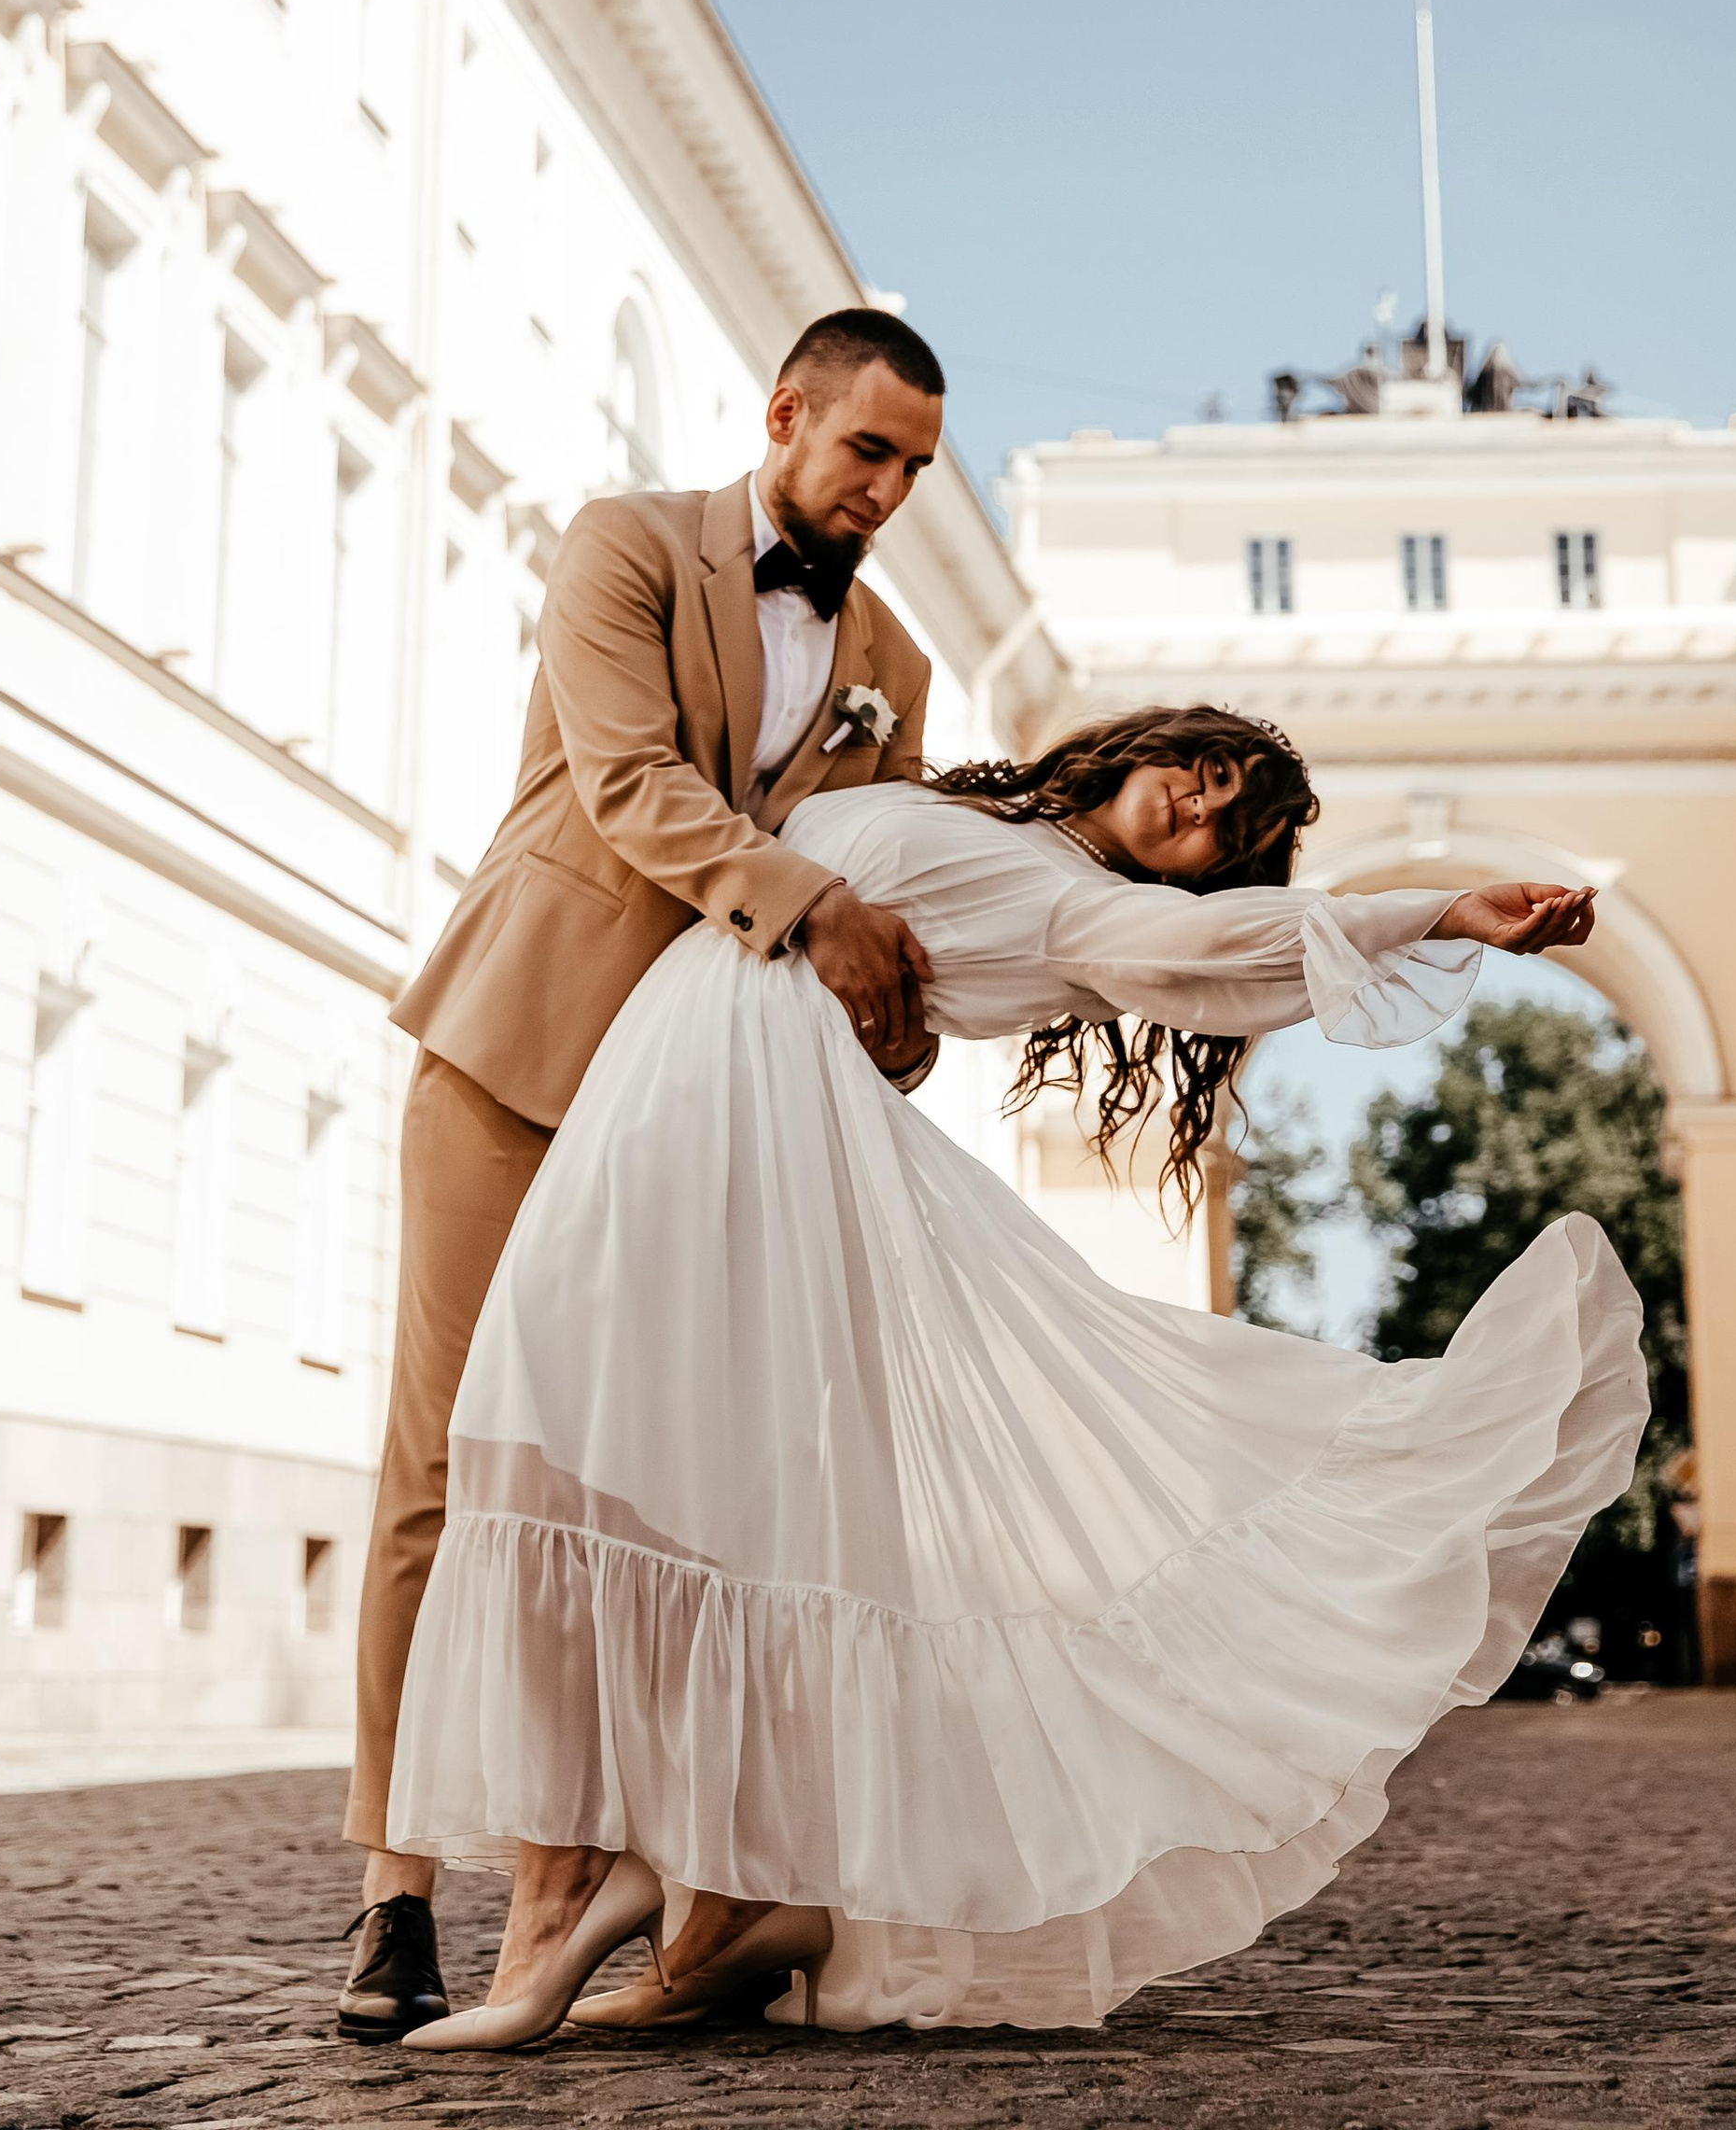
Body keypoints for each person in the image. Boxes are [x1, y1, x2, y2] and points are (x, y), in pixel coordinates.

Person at [386, 707, 1651, 2049]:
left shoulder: (1085, 911)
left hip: (750, 1150)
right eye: (1206, 772)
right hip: (649, 1107)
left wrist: (1442, 912)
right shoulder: (971, 814)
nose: (1201, 809)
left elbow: (1221, 946)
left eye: (1232, 827)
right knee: (585, 1465)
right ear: (1147, 746)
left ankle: (583, 1895)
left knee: (568, 1458)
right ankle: (719, 1890)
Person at [335, 306, 948, 2044]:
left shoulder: (891, 655)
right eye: (868, 452)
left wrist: (895, 1012)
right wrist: (812, 907)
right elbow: (628, 784)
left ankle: (645, 1878)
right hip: (524, 1058)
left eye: (913, 467)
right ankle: (395, 1892)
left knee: (646, 1499)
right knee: (443, 1469)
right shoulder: (626, 547)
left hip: (697, 1135)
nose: (889, 492)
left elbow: (884, 871)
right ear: (787, 414)